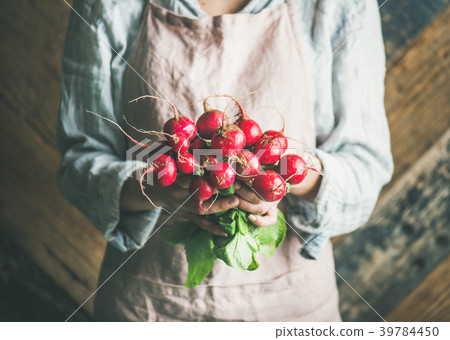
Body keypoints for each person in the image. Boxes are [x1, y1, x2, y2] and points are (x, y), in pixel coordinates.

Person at [57, 0, 393, 321]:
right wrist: (157, 188)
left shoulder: (339, 4)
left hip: (291, 305)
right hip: (149, 308)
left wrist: (289, 175)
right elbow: (79, 163)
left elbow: (366, 166)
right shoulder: (106, 5)